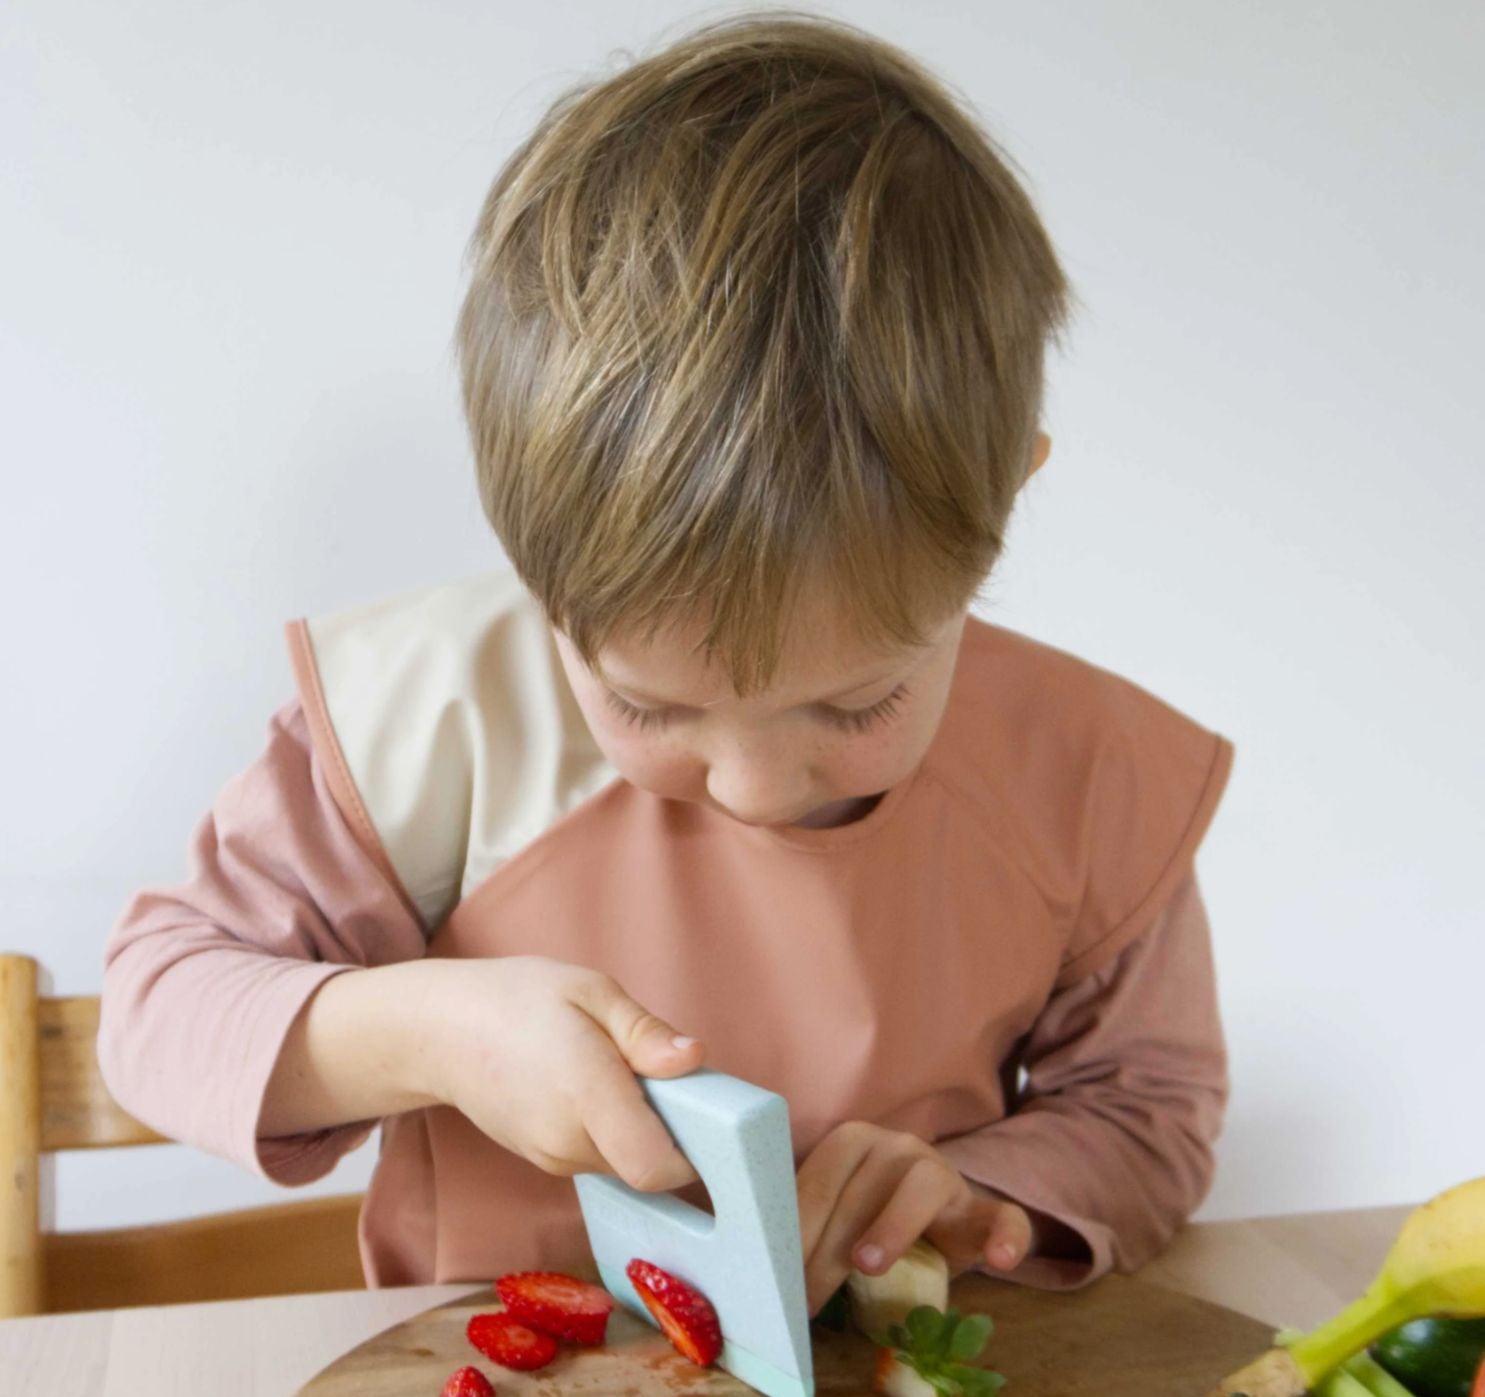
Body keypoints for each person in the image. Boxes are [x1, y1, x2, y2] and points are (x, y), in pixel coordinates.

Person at [101, 13, 1232, 1311]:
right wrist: (429, 1031)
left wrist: (980, 1195)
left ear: (996, 518)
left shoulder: (1083, 773)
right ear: (530, 558)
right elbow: (156, 1007)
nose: (753, 787)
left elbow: (1147, 1110)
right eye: (646, 702)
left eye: (856, 698)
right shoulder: (425, 723)